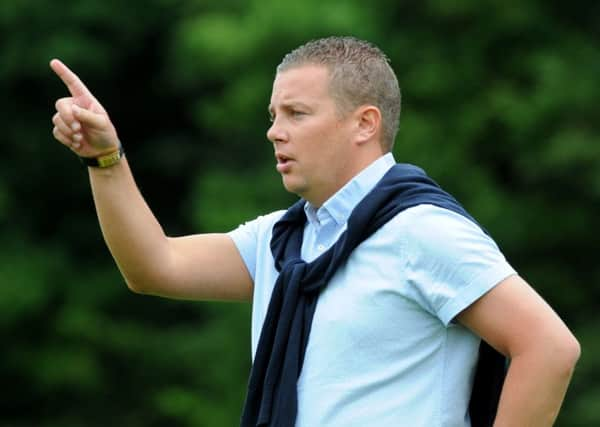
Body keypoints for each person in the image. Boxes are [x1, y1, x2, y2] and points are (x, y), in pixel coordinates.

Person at [50, 36, 580, 426]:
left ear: (365, 124)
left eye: (296, 113)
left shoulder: (423, 231)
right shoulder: (283, 241)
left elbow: (549, 348)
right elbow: (153, 267)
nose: (273, 131)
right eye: (273, 113)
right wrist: (105, 159)